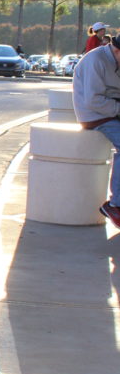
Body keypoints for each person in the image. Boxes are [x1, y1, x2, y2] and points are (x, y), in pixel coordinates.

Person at [72, 35, 120, 229]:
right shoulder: (95, 61)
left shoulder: (116, 59)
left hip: (114, 111)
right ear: (117, 51)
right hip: (94, 115)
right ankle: (115, 205)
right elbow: (93, 101)